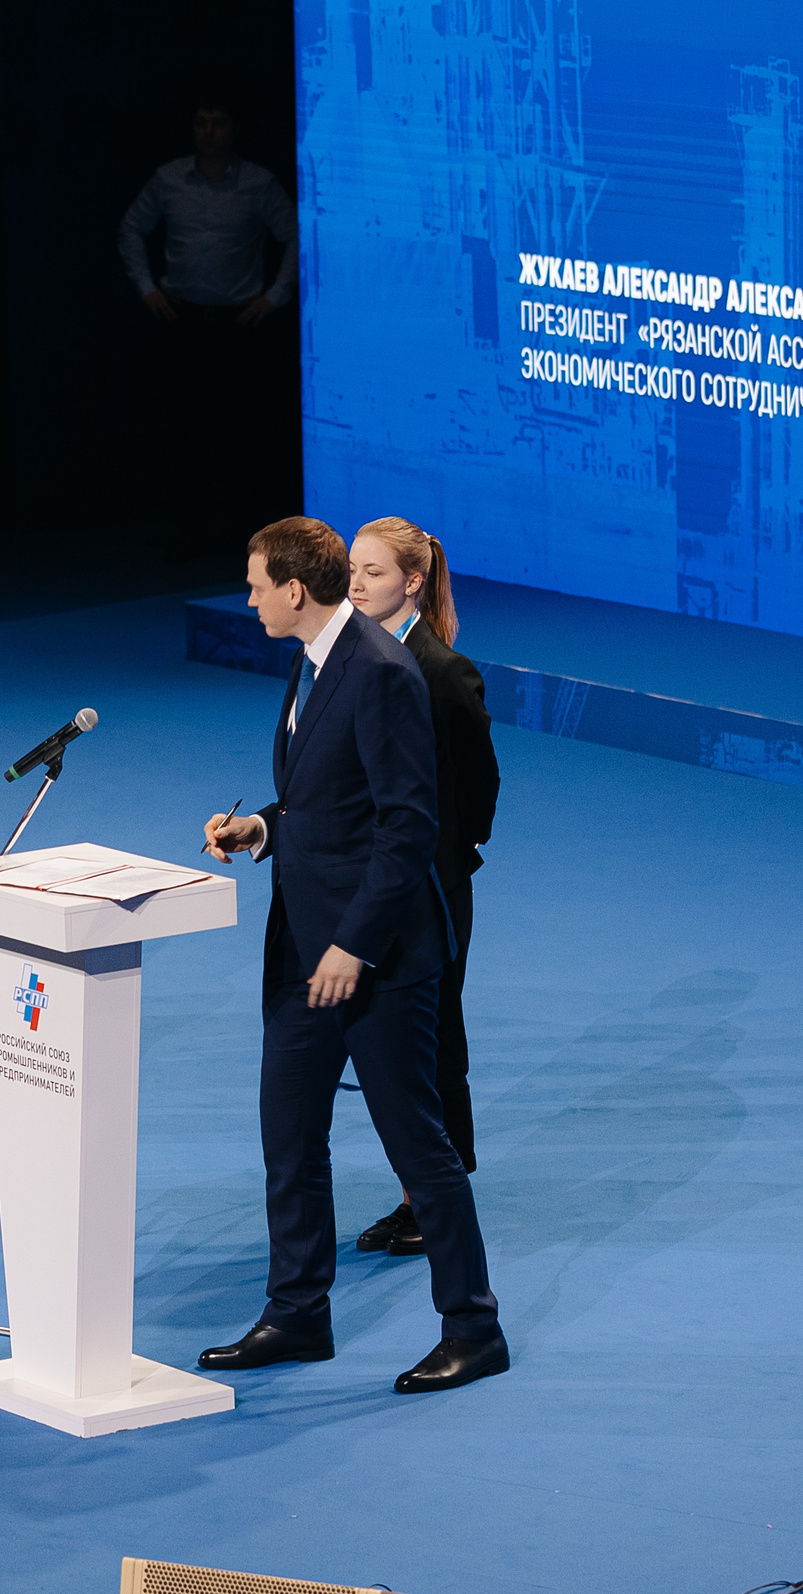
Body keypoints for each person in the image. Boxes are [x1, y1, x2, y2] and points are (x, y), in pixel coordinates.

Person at [198, 517, 506, 1393]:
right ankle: (297, 1312)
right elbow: (328, 799)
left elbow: (409, 826)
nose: (249, 599)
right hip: (305, 949)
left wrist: (354, 945)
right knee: (290, 1134)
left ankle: (474, 1326)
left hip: (379, 960)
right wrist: (263, 828)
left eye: (257, 584)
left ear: (295, 589)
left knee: (419, 1147)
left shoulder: (380, 670)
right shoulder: (314, 658)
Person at [345, 517, 500, 1257]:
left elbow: (479, 782)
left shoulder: (444, 671)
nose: (354, 583)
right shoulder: (351, 657)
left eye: (372, 572)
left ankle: (433, 1200)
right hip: (370, 881)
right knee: (388, 1046)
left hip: (430, 885)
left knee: (432, 1041)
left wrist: (450, 853)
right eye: (351, 568)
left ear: (412, 581)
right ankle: (417, 1192)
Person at [117, 93, 296, 562]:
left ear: (234, 129)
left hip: (239, 321)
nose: (210, 131)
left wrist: (275, 295)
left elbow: (297, 234)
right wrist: (147, 288)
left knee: (244, 432)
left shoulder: (257, 183)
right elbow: (131, 228)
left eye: (219, 122)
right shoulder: (169, 179)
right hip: (184, 319)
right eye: (201, 122)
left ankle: (248, 536)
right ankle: (190, 533)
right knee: (186, 432)